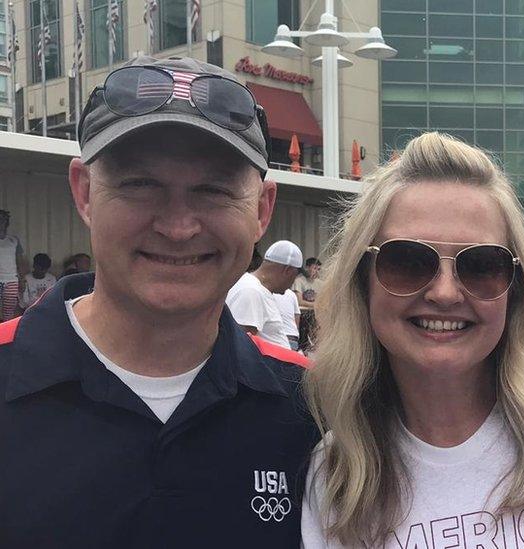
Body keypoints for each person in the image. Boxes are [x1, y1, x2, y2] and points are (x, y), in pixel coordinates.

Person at [0, 56, 317, 547]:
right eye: (140, 185)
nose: (177, 226)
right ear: (84, 192)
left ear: (262, 209)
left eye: (213, 190)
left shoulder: (317, 411)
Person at [300, 132, 524, 547]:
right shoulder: (334, 477)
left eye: (481, 265)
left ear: (514, 290)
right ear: (361, 282)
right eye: (407, 261)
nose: (444, 293)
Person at [227, 240, 303, 348]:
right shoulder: (251, 290)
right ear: (287, 270)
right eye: (294, 276)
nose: (292, 283)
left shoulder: (259, 289)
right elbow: (242, 345)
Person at [0, 210, 27, 321]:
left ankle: (5, 336)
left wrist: (22, 279)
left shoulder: (13, 240)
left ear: (7, 222)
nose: (1, 222)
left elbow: (20, 261)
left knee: (9, 312)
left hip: (11, 280)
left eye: (3, 220)